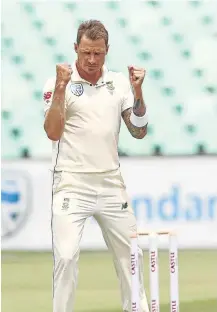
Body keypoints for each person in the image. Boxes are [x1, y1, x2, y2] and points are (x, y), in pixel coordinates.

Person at [43, 19, 149, 312]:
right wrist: (63, 87)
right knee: (65, 257)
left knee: (131, 256)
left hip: (110, 183)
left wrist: (138, 93)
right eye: (86, 52)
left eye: (98, 53)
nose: (91, 60)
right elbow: (52, 132)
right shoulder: (57, 82)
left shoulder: (118, 83)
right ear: (76, 49)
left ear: (107, 50)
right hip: (71, 184)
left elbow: (139, 131)